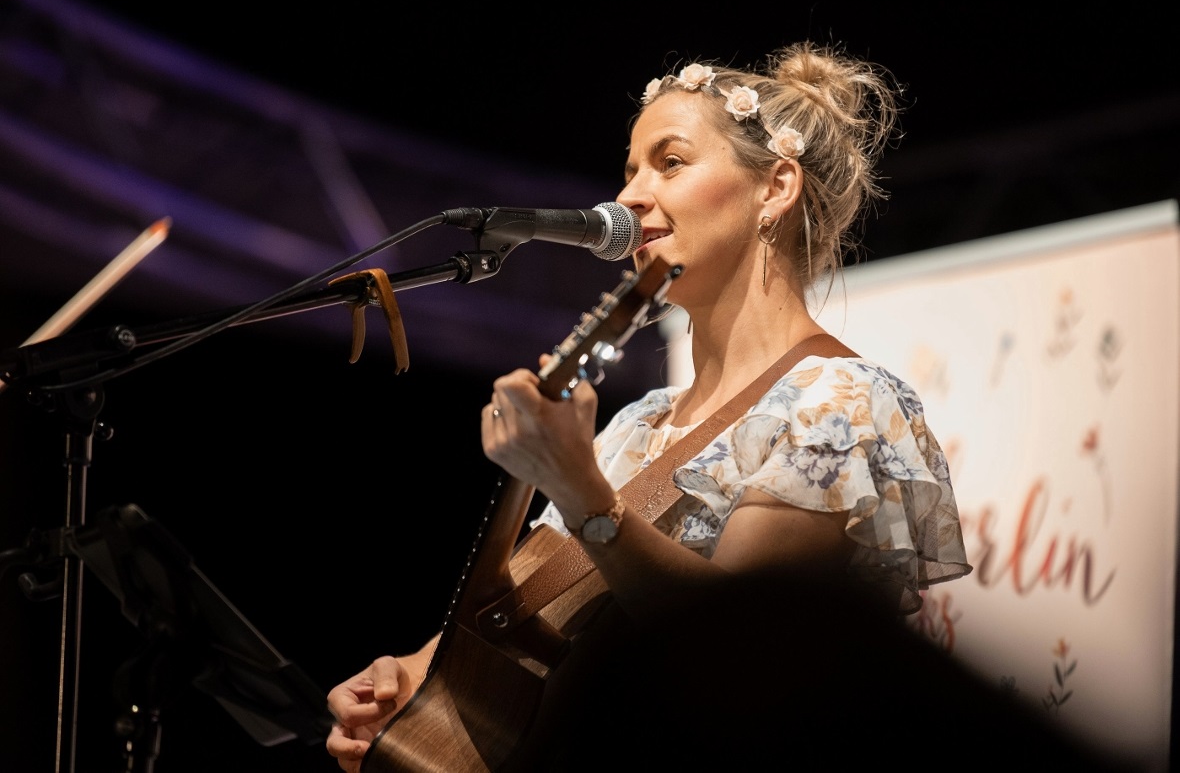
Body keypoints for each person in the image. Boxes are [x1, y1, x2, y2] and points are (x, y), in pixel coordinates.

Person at [327, 41, 988, 771]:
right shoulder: (639, 422)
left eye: (668, 163)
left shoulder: (844, 401)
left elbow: (745, 648)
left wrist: (585, 495)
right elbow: (521, 616)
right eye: (630, 171)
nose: (629, 197)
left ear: (775, 188)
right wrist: (411, 679)